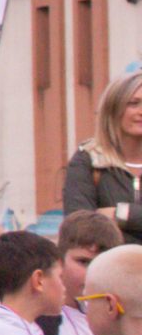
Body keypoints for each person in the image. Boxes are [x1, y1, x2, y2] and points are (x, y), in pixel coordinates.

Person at [61, 69, 142, 248]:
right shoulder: (88, 160)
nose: (141, 111)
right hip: (109, 262)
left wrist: (122, 214)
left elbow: (98, 225)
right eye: (133, 103)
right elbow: (80, 226)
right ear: (113, 109)